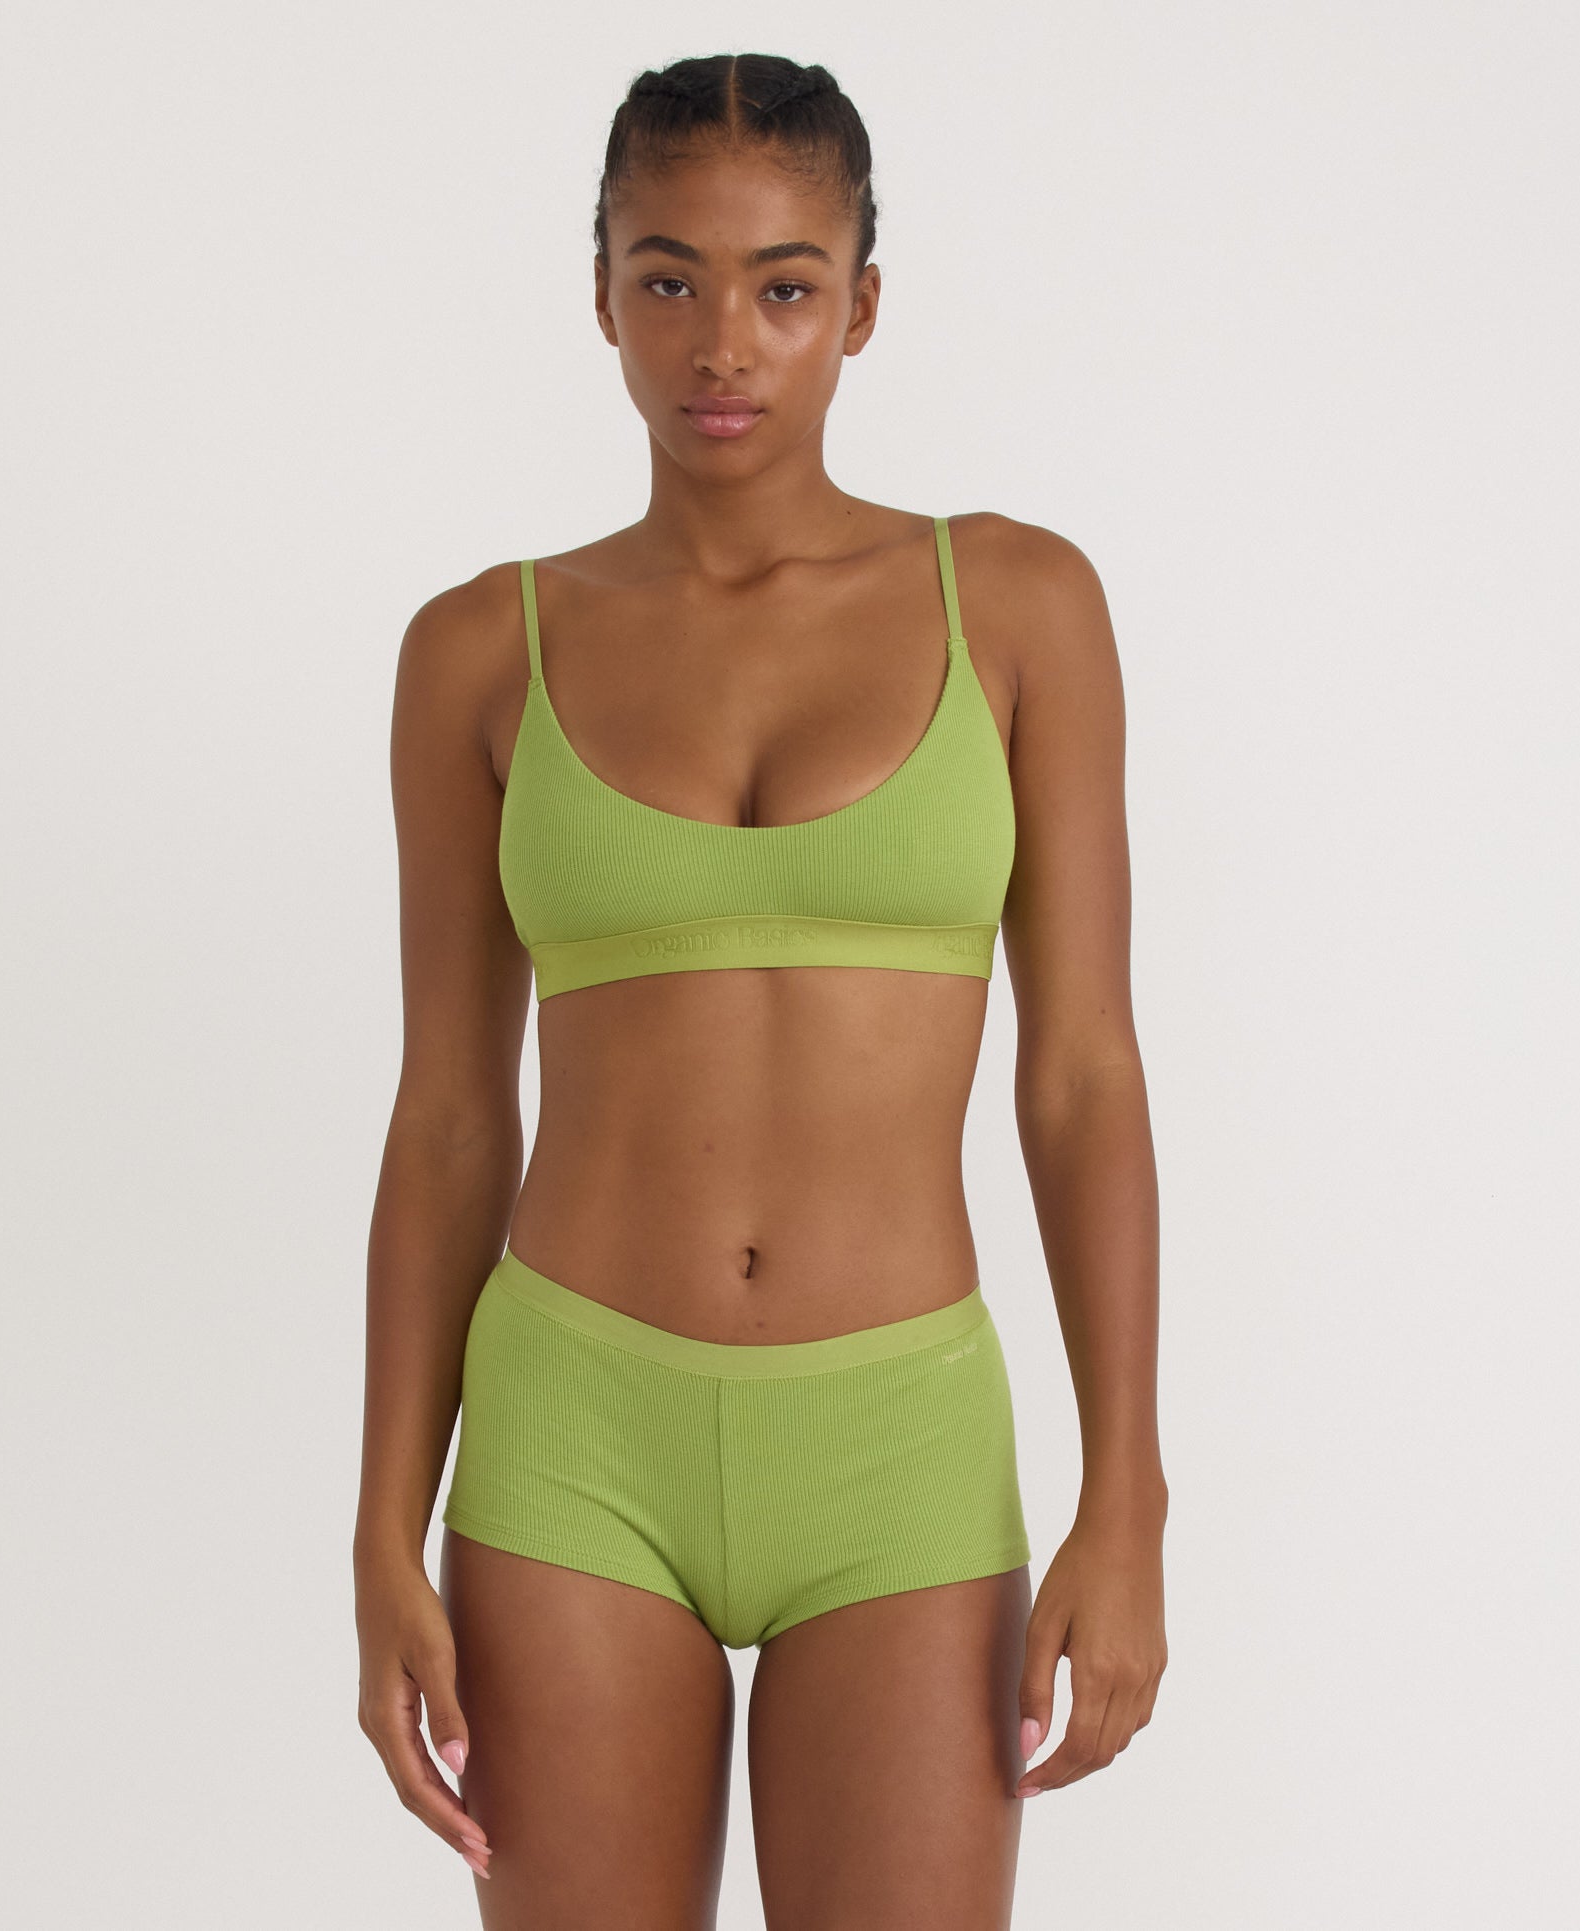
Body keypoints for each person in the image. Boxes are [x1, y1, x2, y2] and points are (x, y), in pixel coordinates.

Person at [353, 50, 1166, 1926]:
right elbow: (450, 1116)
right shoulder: (481, 649)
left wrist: (1127, 1491)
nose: (723, 343)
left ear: (861, 304)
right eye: (670, 278)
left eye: (783, 285)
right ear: (602, 293)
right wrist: (382, 1527)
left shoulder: (1018, 607)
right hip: (574, 1434)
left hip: (899, 1438)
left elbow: (1086, 1076)